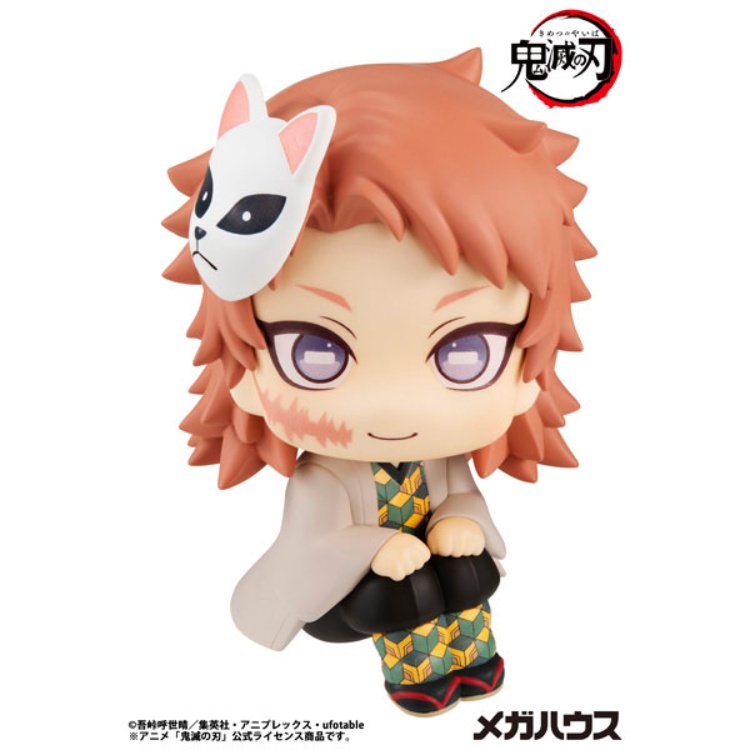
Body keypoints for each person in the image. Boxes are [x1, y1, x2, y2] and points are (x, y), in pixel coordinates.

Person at [163, 49, 595, 715]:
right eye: (315, 352)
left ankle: (474, 663)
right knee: (402, 591)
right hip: (347, 597)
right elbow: (313, 547)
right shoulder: (323, 481)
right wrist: (378, 547)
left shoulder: (442, 460)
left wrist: (460, 518)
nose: (393, 405)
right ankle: (416, 677)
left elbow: (463, 499)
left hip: (436, 575)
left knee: (468, 572)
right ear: (245, 367)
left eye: (465, 353)